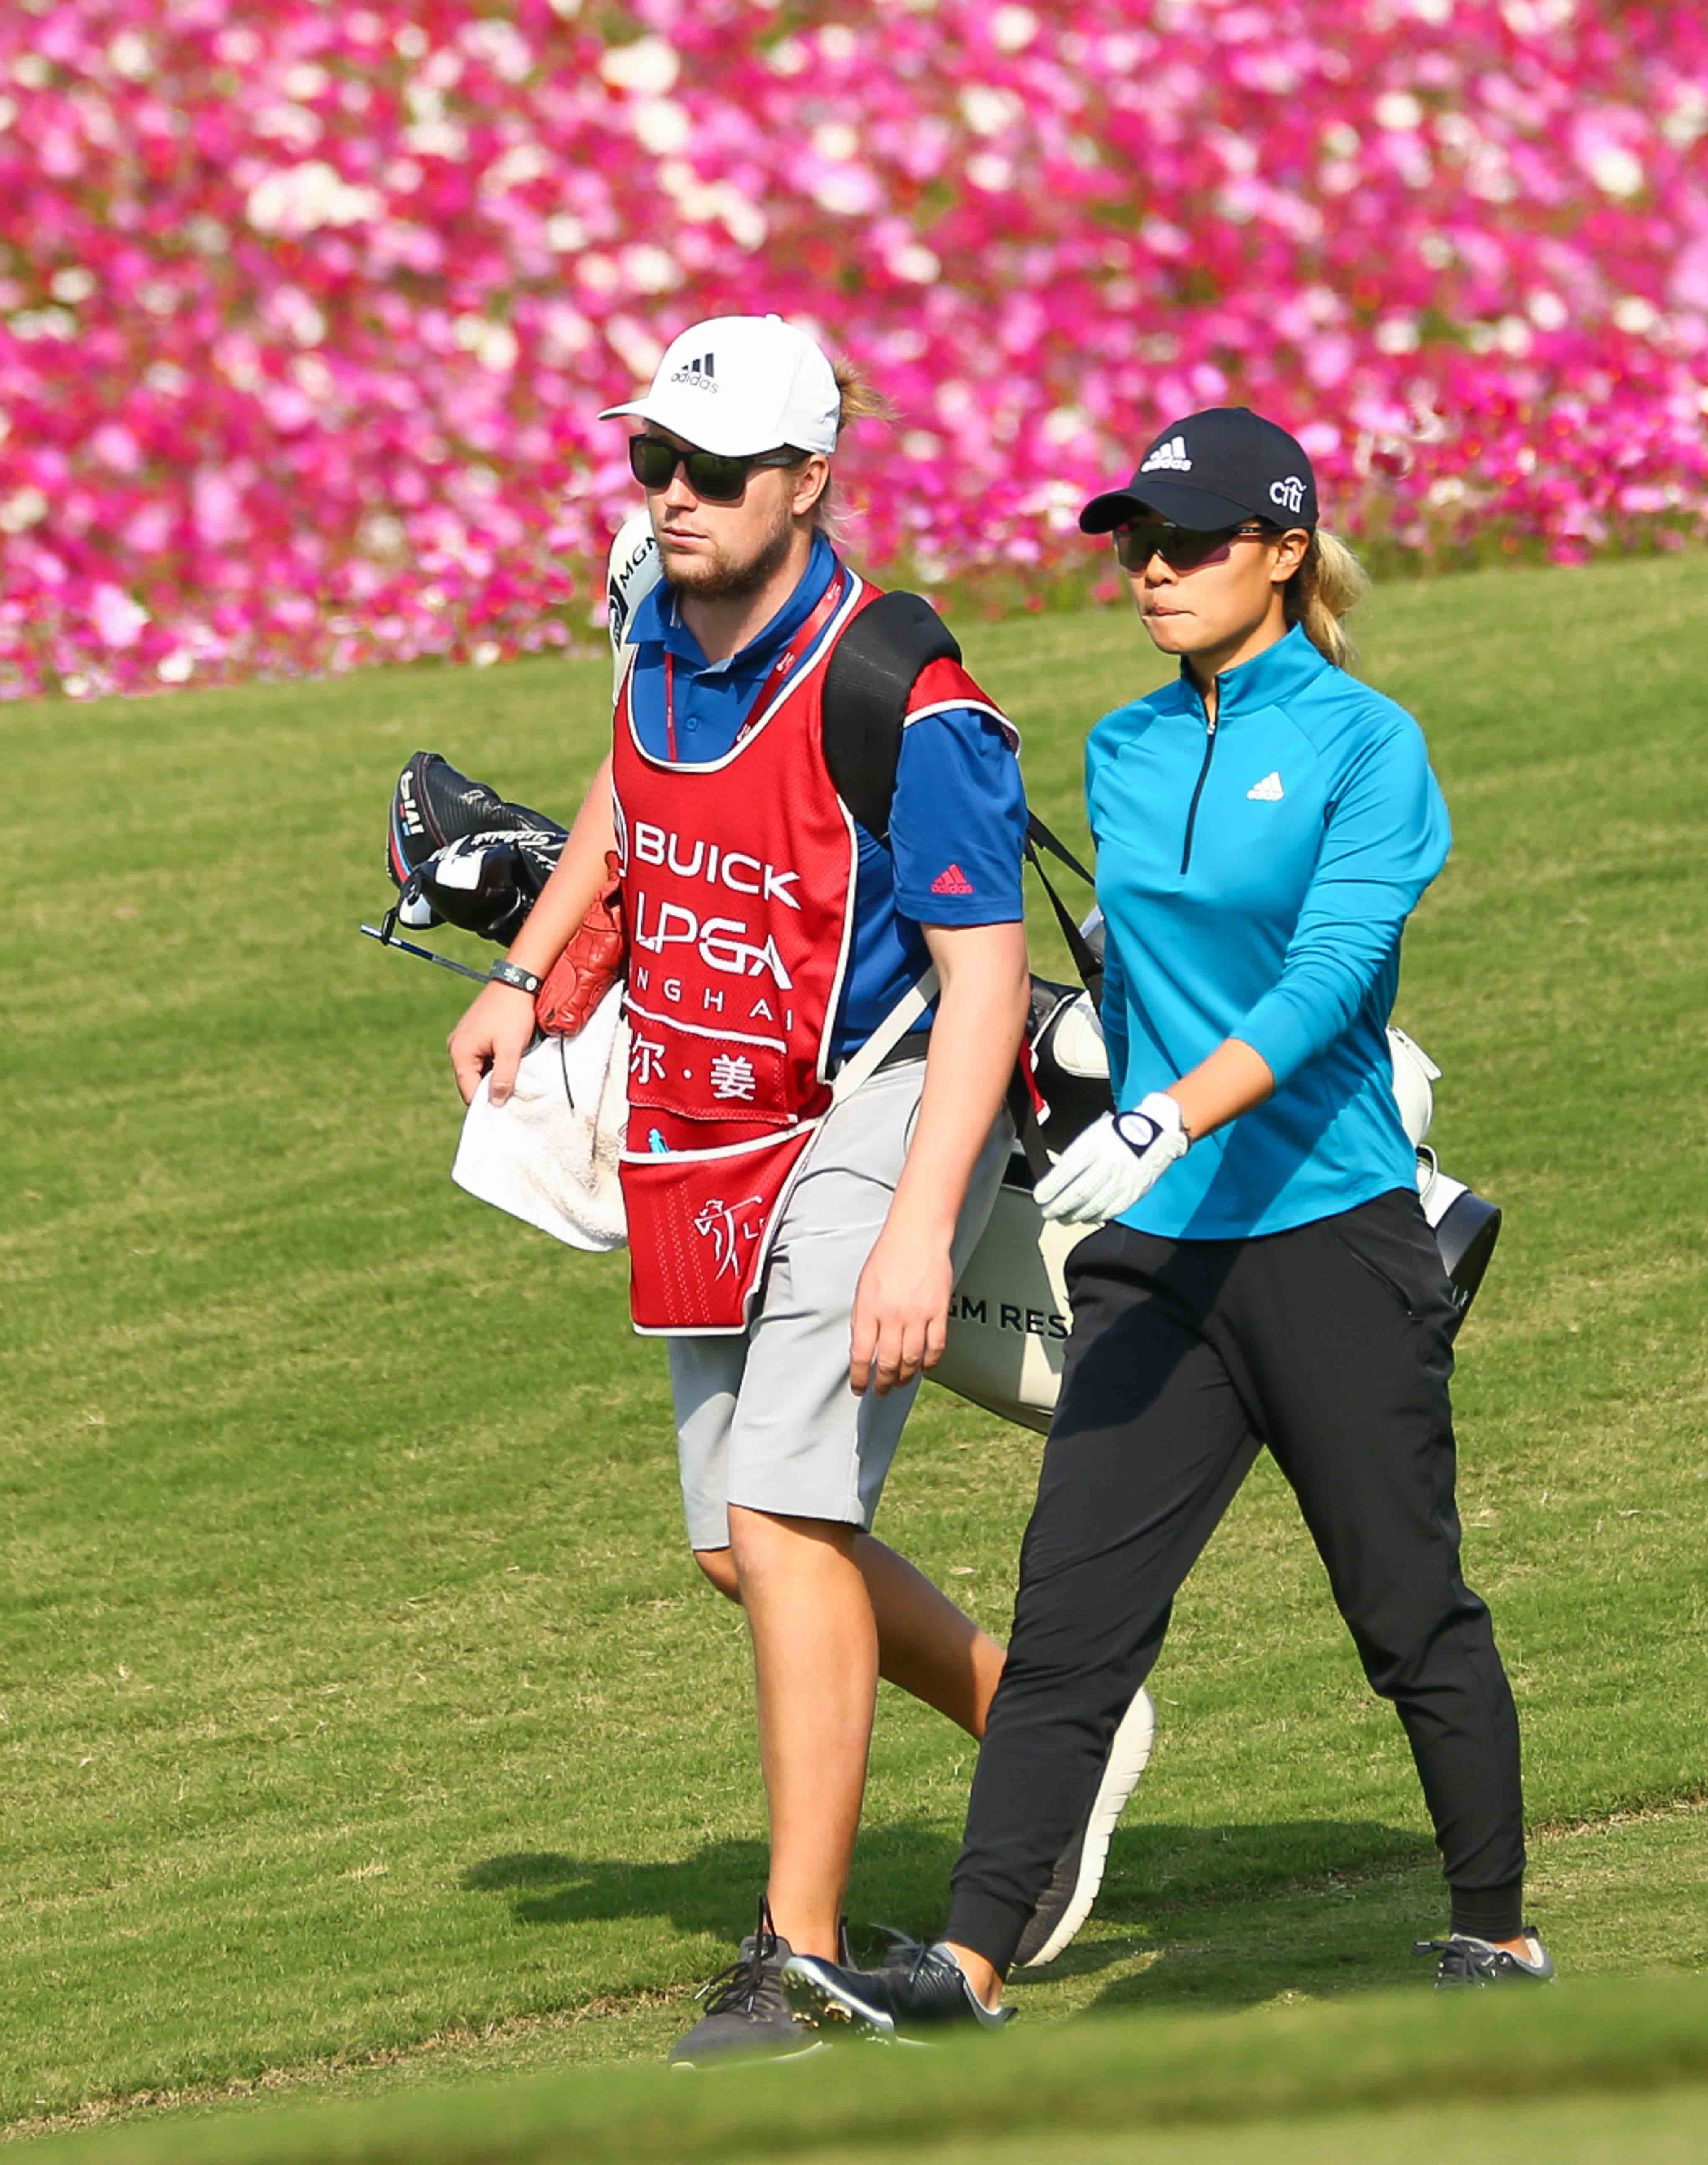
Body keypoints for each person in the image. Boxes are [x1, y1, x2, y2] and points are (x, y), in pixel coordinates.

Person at [788, 407, 1547, 2037]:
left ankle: (1493, 1928)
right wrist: (1082, 1087)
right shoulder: (1124, 749)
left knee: (1405, 1609)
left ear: (1282, 553)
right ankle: (968, 1965)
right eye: (1134, 540)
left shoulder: (1363, 745)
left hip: (1330, 1238)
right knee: (1070, 1629)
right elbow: (1135, 973)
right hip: (1154, 1260)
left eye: (1188, 540)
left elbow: (1330, 973)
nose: (1151, 569)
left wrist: (1166, 1111)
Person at [445, 315, 1152, 2065]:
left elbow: (982, 982)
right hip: (708, 1107)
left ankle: (799, 1956)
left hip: (880, 1093)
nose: (672, 500)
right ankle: (1051, 1727)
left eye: (713, 473)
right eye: (651, 465)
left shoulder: (905, 696)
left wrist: (917, 1225)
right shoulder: (649, 611)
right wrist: (532, 973)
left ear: (809, 483)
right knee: (730, 1542)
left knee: (782, 1513)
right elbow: (625, 792)